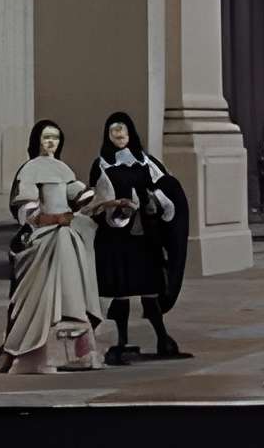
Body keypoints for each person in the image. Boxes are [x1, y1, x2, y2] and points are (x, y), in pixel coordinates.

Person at [0, 119, 103, 375]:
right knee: (43, 285)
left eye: (55, 137)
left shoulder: (62, 168)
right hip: (42, 237)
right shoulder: (30, 170)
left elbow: (81, 196)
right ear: (37, 141)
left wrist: (104, 201)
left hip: (66, 233)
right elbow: (26, 211)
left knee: (73, 263)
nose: (51, 142)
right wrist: (55, 219)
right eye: (46, 137)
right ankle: (32, 353)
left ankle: (74, 349)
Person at [88, 112, 191, 363]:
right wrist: (117, 209)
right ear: (108, 135)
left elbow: (165, 188)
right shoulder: (102, 164)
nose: (119, 136)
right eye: (114, 132)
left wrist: (152, 200)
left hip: (146, 236)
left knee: (151, 289)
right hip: (118, 238)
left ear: (131, 133)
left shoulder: (146, 162)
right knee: (121, 290)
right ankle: (122, 341)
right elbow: (98, 200)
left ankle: (162, 338)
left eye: (123, 131)